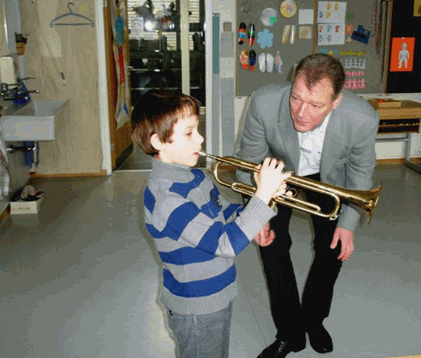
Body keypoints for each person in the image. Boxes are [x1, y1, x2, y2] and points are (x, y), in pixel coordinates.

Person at [235, 53, 380, 358]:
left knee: (333, 248)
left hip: (329, 176)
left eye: (315, 105)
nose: (301, 113)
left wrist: (347, 225)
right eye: (296, 98)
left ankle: (313, 320)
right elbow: (247, 163)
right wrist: (257, 210)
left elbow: (360, 174)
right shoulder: (264, 102)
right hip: (277, 170)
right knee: (272, 245)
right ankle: (289, 332)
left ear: (336, 101)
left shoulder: (362, 118)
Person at [131, 89, 291, 358]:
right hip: (196, 306)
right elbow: (224, 243)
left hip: (216, 293)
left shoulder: (194, 177)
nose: (201, 138)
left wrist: (261, 210)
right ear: (159, 142)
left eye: (197, 129)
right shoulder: (167, 198)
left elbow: (225, 213)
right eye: (189, 132)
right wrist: (261, 197)